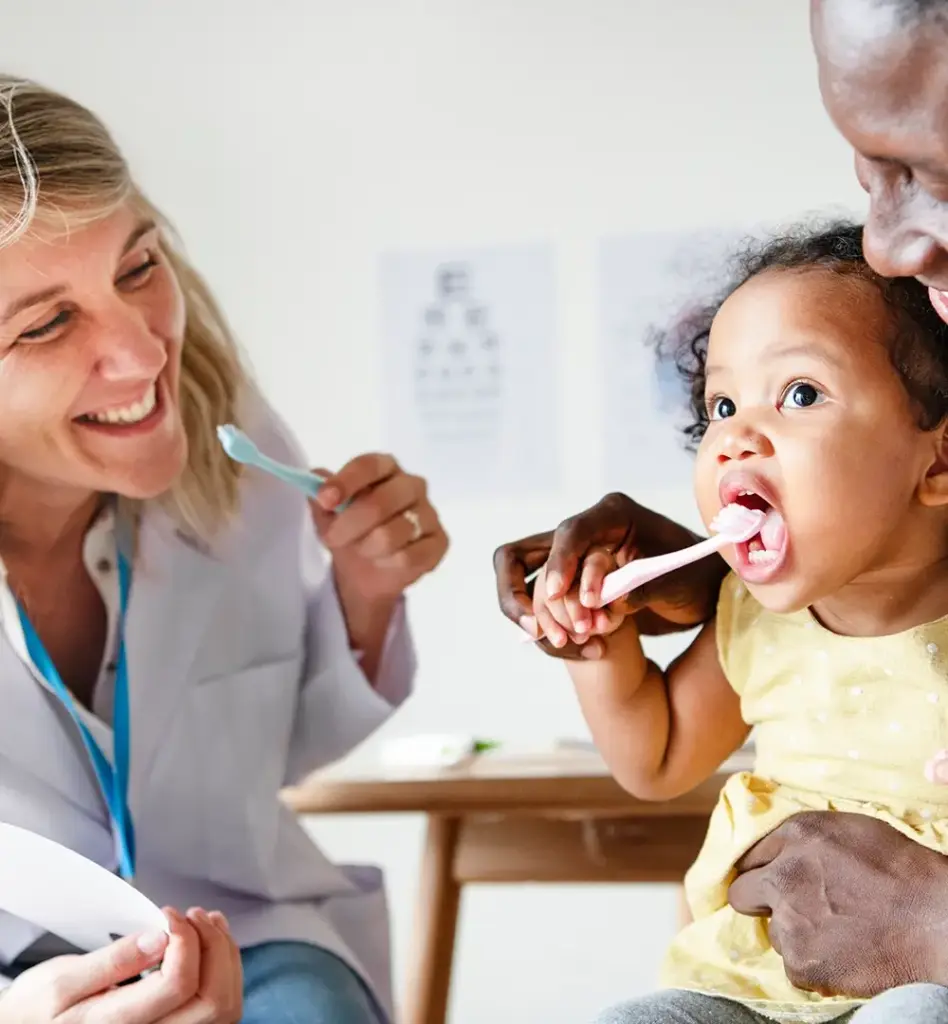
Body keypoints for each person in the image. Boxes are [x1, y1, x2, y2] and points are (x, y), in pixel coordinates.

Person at [494, 0, 948, 1004]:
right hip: (746, 990)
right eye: (721, 407)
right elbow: (657, 757)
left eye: (801, 395)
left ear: (937, 459)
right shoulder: (756, 618)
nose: (737, 437)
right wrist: (602, 646)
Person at [0, 75, 448, 1024]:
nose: (143, 355)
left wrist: (363, 594)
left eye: (137, 268)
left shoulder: (232, 446)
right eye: (45, 324)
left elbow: (265, 756)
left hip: (244, 933)